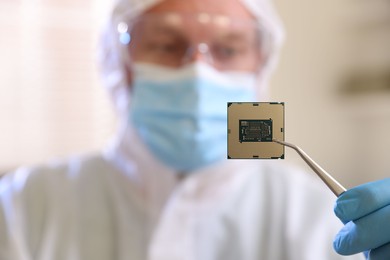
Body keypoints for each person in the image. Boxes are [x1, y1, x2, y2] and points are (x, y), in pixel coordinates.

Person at [0, 0, 387, 259]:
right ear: (119, 64)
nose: (198, 71)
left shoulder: (317, 215)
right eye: (167, 46)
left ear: (260, 70)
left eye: (228, 49)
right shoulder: (24, 205)